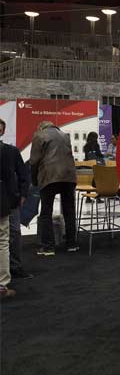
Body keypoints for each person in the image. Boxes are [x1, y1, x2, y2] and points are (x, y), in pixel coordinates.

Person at [29, 121, 79, 255]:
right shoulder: (64, 135)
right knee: (69, 210)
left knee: (46, 212)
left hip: (49, 176)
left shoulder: (39, 135)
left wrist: (34, 180)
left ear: (41, 127)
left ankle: (48, 247)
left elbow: (34, 161)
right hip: (69, 176)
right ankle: (71, 244)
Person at [1, 117, 30, 298]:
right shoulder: (9, 151)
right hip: (7, 198)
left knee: (13, 234)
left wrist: (23, 194)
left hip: (10, 199)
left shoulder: (11, 151)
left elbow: (23, 174)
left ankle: (15, 268)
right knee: (5, 239)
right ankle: (4, 282)